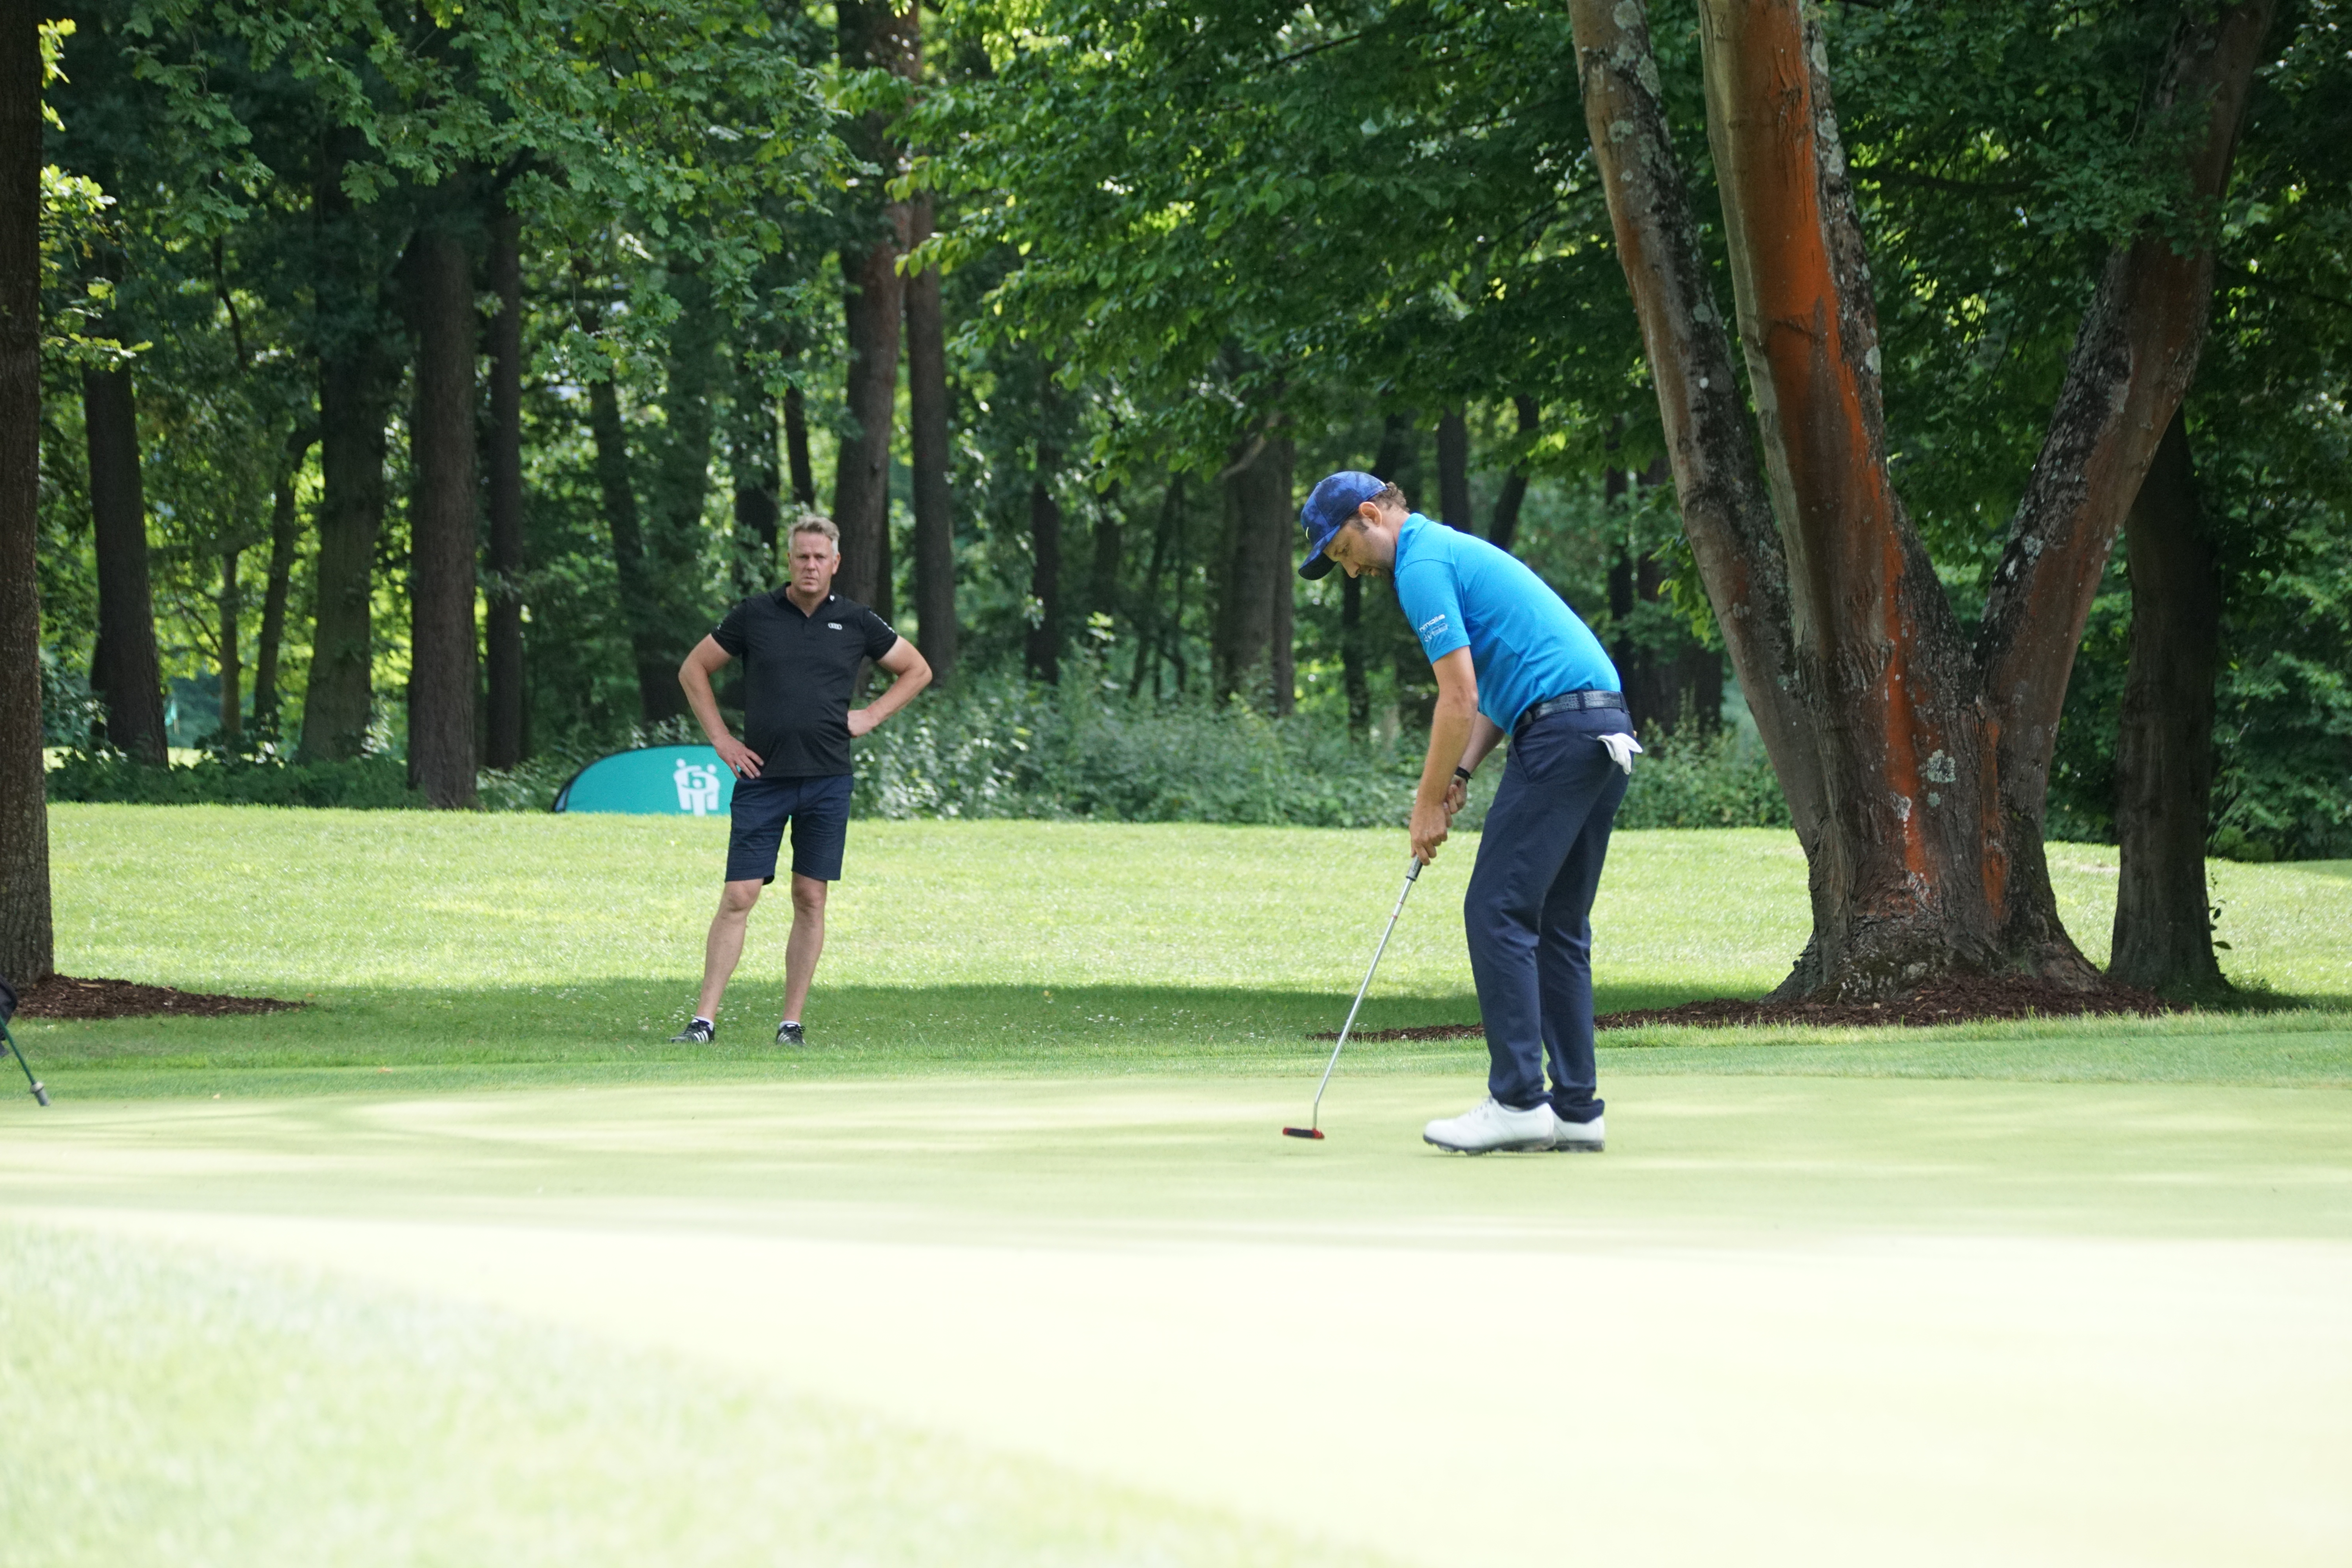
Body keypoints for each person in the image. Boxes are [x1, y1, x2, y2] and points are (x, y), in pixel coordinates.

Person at [1299, 471, 1638, 1154]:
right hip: (1605, 729)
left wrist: (1426, 804)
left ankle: (1518, 1100)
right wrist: (1457, 772)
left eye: (1343, 551)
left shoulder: (1420, 564)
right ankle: (1576, 1110)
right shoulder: (1446, 551)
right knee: (1559, 925)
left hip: (1561, 734)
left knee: (1496, 911)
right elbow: (1489, 698)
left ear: (1371, 515)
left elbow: (1454, 698)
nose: (1352, 571)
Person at [669, 515, 931, 1046]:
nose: (810, 565)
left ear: (836, 563)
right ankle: (703, 1022)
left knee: (811, 897)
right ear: (789, 561)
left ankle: (791, 1025)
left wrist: (872, 715)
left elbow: (918, 669)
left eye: (819, 557)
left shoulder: (858, 621)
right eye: (801, 556)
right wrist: (721, 739)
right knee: (740, 896)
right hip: (763, 779)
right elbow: (694, 669)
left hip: (828, 781)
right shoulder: (754, 616)